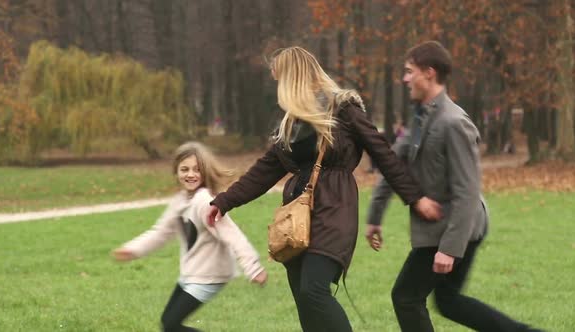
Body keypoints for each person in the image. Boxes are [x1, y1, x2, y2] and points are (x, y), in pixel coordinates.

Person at [206, 46, 441, 332]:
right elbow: (264, 170)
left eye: (279, 78)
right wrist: (223, 202)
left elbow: (384, 155)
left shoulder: (343, 110)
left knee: (313, 290)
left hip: (334, 208)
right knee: (306, 303)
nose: (278, 87)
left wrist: (415, 198)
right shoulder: (289, 124)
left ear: (293, 77)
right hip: (295, 220)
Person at [366, 41, 543, 332]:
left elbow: (468, 191)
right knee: (448, 301)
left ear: (429, 73)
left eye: (410, 72)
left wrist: (449, 248)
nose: (405, 78)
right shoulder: (422, 116)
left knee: (406, 297)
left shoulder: (453, 122)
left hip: (456, 228)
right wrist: (375, 216)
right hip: (445, 226)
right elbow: (394, 167)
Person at [112, 142, 267, 332]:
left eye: (196, 169)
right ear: (176, 172)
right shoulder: (180, 201)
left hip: (209, 275)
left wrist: (253, 267)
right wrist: (133, 250)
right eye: (184, 169)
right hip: (191, 274)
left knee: (171, 325)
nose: (190, 174)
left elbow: (232, 235)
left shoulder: (204, 202)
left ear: (205, 172)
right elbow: (161, 232)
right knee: (168, 324)